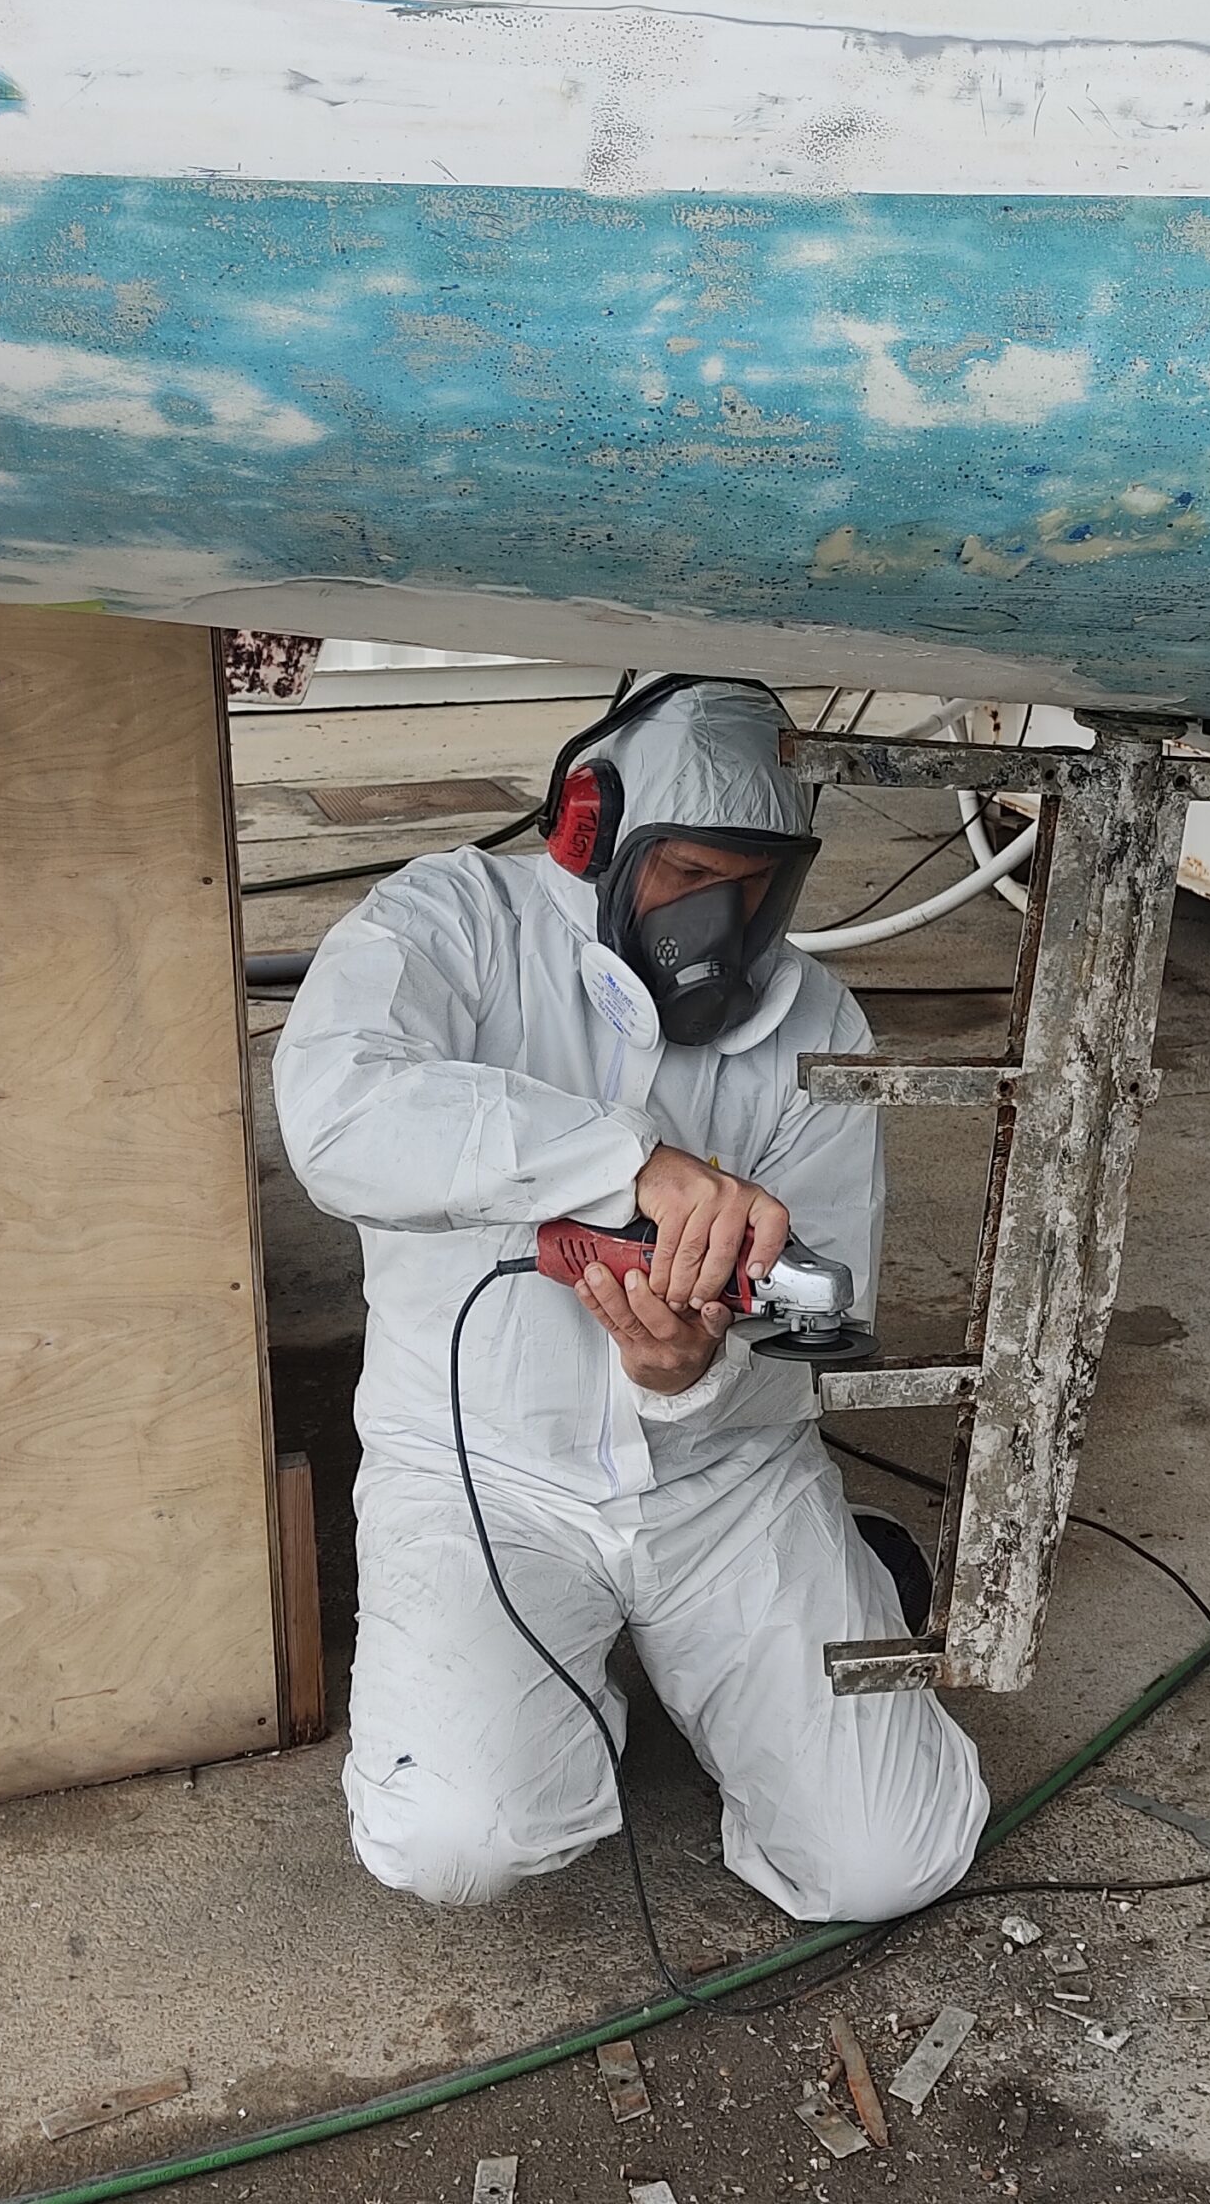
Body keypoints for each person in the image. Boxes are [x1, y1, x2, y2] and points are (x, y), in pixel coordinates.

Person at [272, 677, 988, 1923]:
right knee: (456, 1842)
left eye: (761, 883)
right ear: (590, 825)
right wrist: (630, 1165)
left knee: (889, 1864)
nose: (728, 917)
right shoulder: (450, 922)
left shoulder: (814, 1019)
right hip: (481, 1472)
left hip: (725, 1481)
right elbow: (338, 1117)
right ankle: (576, 1687)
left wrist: (691, 1374)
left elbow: (824, 1323)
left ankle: (827, 1568)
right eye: (696, 873)